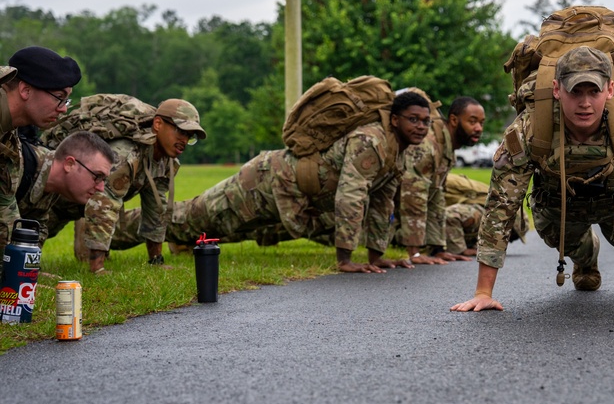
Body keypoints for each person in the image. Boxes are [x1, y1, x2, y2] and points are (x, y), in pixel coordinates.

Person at [451, 46, 614, 314]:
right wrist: (482, 293)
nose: (585, 103)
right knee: (555, 232)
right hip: (561, 204)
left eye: (593, 92)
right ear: (557, 90)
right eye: (575, 92)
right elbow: (500, 207)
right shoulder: (531, 128)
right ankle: (585, 260)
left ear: (609, 90)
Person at [120, 91, 431, 273]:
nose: (420, 126)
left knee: (228, 231)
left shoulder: (399, 152)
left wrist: (377, 257)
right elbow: (351, 196)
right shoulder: (373, 141)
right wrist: (345, 260)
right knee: (189, 217)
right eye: (413, 119)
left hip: (293, 197)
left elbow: (380, 203)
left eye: (425, 121)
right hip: (265, 180)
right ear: (394, 120)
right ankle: (109, 232)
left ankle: (183, 243)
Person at [42, 98, 206, 273]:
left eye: (190, 136)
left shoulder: (165, 162)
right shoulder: (126, 154)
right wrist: (98, 270)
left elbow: (156, 209)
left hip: (77, 206)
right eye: (180, 131)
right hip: (51, 203)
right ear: (158, 124)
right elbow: (103, 203)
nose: (184, 139)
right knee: (26, 238)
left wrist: (156, 261)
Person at [1, 46, 82, 251]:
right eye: (59, 97)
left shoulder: (10, 136)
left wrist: (20, 270)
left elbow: (4, 210)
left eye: (67, 100)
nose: (63, 108)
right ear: (25, 90)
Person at [393, 95, 486, 264]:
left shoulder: (446, 147)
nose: (479, 128)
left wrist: (438, 249)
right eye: (472, 121)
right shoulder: (428, 145)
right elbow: (413, 196)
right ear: (454, 120)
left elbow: (436, 197)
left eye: (481, 122)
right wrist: (414, 253)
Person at [16, 132, 115, 243]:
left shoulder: (54, 183)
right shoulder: (18, 166)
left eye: (103, 179)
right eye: (97, 176)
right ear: (69, 164)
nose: (101, 188)